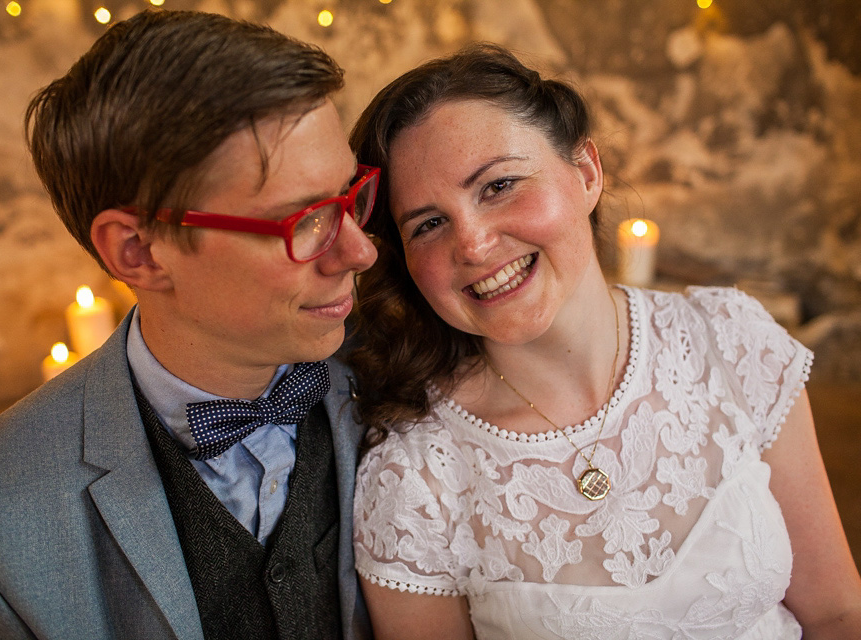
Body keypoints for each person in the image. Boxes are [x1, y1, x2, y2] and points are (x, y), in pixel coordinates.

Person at [346, 43, 861, 639]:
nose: (474, 245)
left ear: (586, 173)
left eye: (499, 186)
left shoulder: (730, 340)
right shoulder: (414, 477)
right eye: (429, 223)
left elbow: (838, 613)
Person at [0, 9, 378, 639]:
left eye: (350, 196)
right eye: (303, 221)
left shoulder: (408, 363)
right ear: (137, 251)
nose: (360, 251)